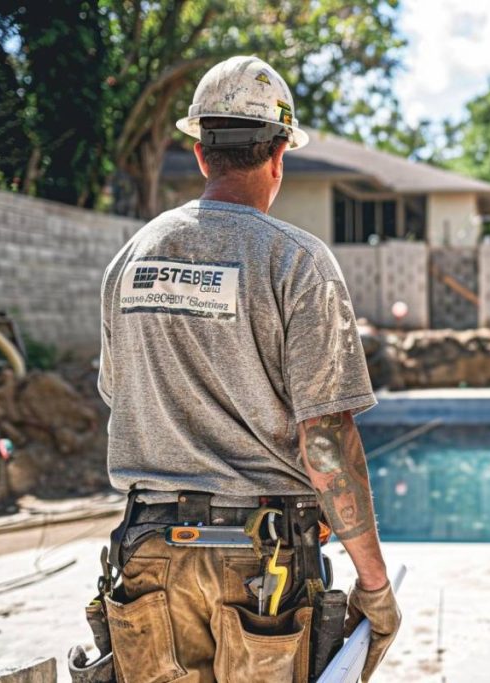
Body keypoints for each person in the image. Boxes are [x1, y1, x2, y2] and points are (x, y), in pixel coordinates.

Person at [73, 55, 400, 683]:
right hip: (263, 566)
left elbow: (121, 395)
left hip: (148, 562)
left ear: (202, 153)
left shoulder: (131, 260)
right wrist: (375, 584)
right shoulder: (297, 263)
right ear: (279, 156)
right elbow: (326, 440)